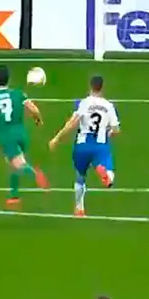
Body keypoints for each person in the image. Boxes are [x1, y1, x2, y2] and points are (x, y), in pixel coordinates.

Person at [0, 65, 50, 209]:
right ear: (9, 80)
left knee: (17, 163)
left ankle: (34, 174)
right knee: (13, 162)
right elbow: (34, 109)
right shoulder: (18, 94)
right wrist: (38, 120)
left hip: (6, 137)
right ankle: (14, 195)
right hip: (21, 134)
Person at [49, 75, 120, 218]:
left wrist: (57, 138)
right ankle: (105, 174)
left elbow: (72, 123)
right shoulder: (108, 106)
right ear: (102, 87)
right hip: (100, 145)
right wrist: (109, 133)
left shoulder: (84, 103)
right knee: (110, 171)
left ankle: (79, 208)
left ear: (90, 87)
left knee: (80, 176)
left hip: (82, 145)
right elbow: (116, 130)